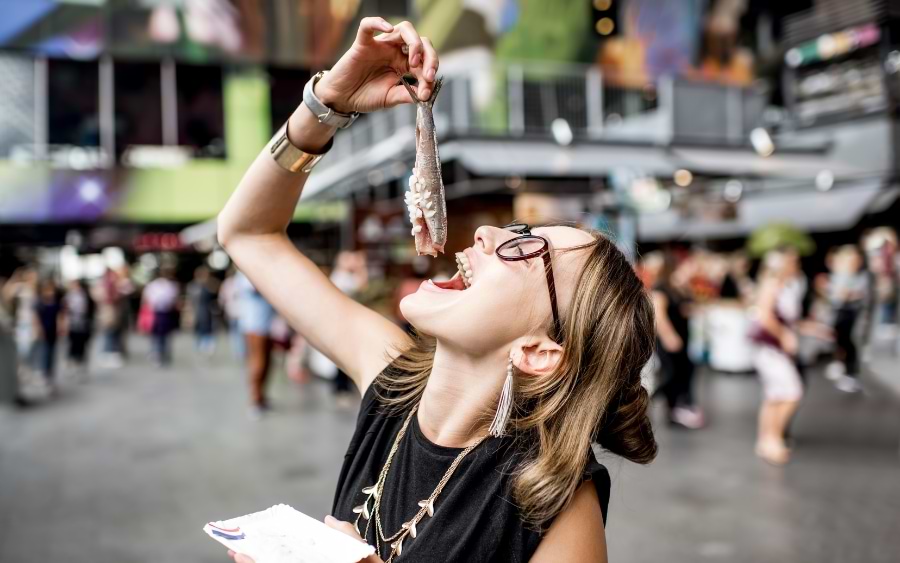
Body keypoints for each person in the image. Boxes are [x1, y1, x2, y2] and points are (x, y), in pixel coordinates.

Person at [217, 19, 656, 563]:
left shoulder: (559, 508)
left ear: (538, 351)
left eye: (525, 249)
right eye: (519, 231)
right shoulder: (394, 383)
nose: (487, 233)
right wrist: (326, 105)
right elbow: (248, 234)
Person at [749, 249, 826, 465]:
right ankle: (773, 437)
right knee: (792, 393)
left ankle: (767, 439)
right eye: (792, 261)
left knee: (775, 395)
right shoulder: (771, 284)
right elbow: (764, 316)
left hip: (775, 349)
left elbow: (788, 320)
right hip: (769, 349)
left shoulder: (787, 286)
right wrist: (784, 336)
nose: (796, 264)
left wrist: (810, 328)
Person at [642, 251, 704, 429]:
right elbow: (659, 316)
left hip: (682, 337)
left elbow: (684, 306)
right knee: (670, 374)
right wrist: (669, 336)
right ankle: (649, 405)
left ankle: (677, 409)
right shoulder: (661, 288)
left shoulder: (676, 287)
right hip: (670, 339)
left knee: (685, 371)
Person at [823, 245, 868, 393]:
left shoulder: (862, 276)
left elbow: (856, 294)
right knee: (840, 339)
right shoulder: (840, 274)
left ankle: (851, 374)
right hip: (841, 311)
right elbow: (835, 294)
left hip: (853, 312)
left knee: (850, 343)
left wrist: (847, 294)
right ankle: (841, 365)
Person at [234, 271, 276, 418]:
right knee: (258, 362)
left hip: (265, 324)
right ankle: (255, 400)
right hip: (255, 325)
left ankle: (261, 397)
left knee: (267, 362)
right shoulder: (247, 272)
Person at [329, 250, 369, 403]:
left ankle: (343, 386)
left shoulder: (342, 276)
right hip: (342, 323)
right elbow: (362, 286)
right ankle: (341, 387)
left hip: (344, 322)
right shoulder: (341, 277)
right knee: (343, 356)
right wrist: (362, 267)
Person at [142, 267, 180, 367]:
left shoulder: (153, 285)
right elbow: (173, 300)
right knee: (163, 336)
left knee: (157, 336)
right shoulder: (170, 285)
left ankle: (158, 354)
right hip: (163, 313)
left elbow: (147, 299)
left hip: (159, 313)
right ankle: (161, 355)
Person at [33, 278, 64, 389]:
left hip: (53, 331)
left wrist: (61, 326)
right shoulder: (39, 303)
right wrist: (38, 329)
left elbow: (60, 316)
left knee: (52, 353)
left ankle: (50, 374)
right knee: (44, 352)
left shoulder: (56, 302)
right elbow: (36, 317)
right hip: (44, 331)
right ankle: (44, 373)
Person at [62, 279, 96, 376]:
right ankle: (73, 362)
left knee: (82, 345)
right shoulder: (68, 297)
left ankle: (80, 364)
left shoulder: (86, 297)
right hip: (72, 325)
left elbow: (89, 310)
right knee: (72, 345)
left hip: (83, 325)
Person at [187, 266, 219, 358]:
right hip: (197, 312)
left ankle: (206, 348)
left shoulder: (209, 285)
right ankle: (199, 347)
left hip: (208, 312)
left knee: (208, 330)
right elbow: (190, 301)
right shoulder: (193, 286)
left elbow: (216, 291)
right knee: (198, 330)